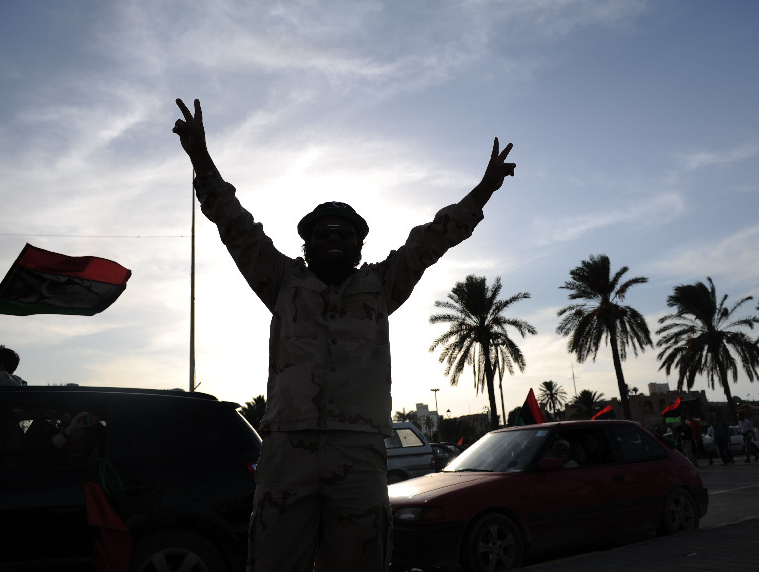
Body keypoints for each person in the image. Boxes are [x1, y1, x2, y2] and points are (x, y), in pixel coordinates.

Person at [172, 98, 517, 572]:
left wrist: (484, 190)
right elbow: (235, 224)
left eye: (345, 233)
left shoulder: (381, 285)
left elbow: (432, 238)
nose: (334, 237)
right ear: (306, 245)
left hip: (357, 452)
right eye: (322, 232)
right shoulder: (282, 282)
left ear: (359, 246)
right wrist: (200, 157)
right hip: (287, 453)